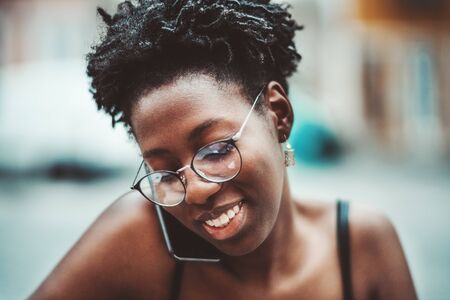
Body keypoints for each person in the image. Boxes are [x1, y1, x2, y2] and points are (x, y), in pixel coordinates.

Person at [30, 0, 417, 299]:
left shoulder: (361, 247)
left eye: (216, 150)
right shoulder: (142, 238)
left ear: (278, 116)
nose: (195, 190)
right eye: (164, 171)